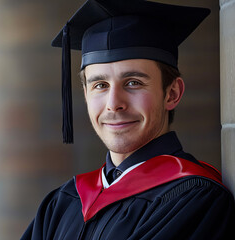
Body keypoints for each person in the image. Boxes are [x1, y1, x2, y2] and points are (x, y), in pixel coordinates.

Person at [21, 0, 235, 239]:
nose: (114, 103)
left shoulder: (195, 199)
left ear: (172, 93)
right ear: (85, 94)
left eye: (133, 83)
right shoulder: (61, 203)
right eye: (100, 85)